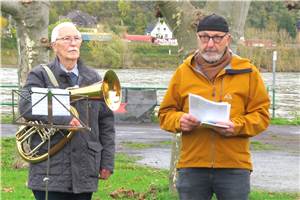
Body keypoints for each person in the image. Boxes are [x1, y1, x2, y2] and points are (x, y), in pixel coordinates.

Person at [158, 14, 270, 200]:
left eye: (217, 37)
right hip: (192, 166)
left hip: (235, 167)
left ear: (228, 39)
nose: (210, 44)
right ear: (197, 38)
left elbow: (262, 115)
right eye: (204, 37)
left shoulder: (248, 72)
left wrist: (236, 126)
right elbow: (165, 114)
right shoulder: (183, 72)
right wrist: (180, 120)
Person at [19, 22, 115, 200]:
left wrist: (107, 162)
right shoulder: (40, 74)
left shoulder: (94, 78)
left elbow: (106, 124)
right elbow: (26, 106)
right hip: (49, 169)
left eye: (77, 38)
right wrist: (64, 119)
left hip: (85, 169)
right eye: (66, 39)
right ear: (55, 46)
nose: (73, 43)